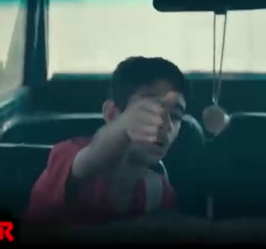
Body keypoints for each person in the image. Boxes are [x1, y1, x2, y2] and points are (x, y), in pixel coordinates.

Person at [26, 56, 188, 224]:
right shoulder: (67, 155)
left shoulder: (160, 191)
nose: (166, 124)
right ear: (112, 113)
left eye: (176, 115)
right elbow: (94, 157)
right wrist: (123, 130)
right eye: (149, 110)